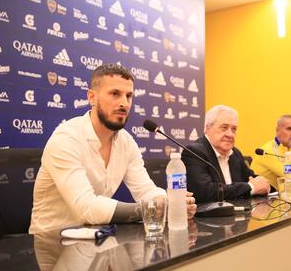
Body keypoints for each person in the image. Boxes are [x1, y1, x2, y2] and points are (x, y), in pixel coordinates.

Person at [29, 64, 196, 234]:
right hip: (50, 243)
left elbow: (146, 190)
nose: (124, 103)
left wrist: (171, 204)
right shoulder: (66, 138)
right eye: (115, 94)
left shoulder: (126, 142)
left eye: (129, 96)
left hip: (96, 238)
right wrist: (154, 209)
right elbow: (86, 207)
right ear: (92, 97)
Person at [181, 105, 270, 203]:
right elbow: (205, 192)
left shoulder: (235, 153)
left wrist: (262, 182)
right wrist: (251, 187)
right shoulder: (194, 152)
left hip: (239, 213)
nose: (230, 134)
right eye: (224, 128)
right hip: (209, 217)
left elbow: (250, 177)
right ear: (207, 128)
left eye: (234, 129)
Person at [251, 114, 291, 189]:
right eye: (290, 129)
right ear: (278, 130)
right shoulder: (268, 151)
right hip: (261, 198)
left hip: (283, 196)